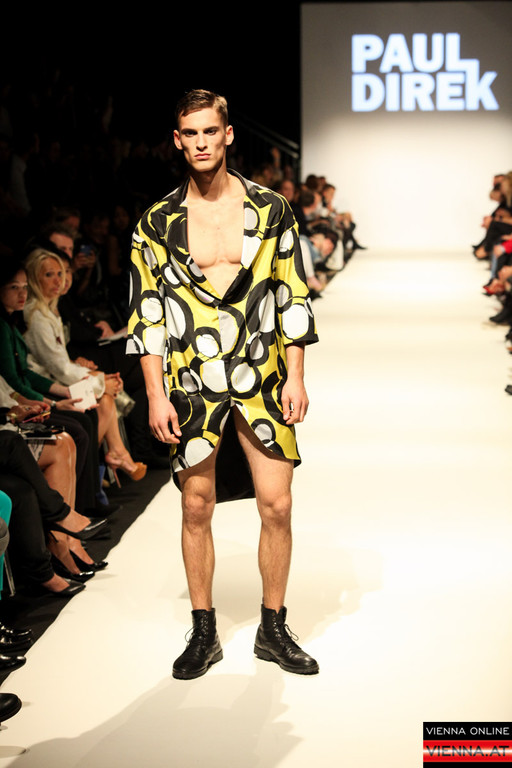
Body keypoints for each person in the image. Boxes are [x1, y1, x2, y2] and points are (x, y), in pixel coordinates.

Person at [127, 89, 319, 679]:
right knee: (195, 505)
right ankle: (203, 628)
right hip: (191, 379)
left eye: (211, 131)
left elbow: (292, 294)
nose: (202, 142)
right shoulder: (157, 223)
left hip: (262, 372)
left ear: (228, 134)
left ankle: (273, 627)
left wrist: (296, 375)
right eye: (191, 133)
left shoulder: (271, 209)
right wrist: (155, 394)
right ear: (177, 140)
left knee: (277, 504)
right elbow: (148, 314)